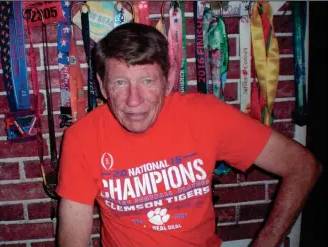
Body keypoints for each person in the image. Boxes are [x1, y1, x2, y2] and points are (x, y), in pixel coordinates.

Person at [55, 23, 322, 247]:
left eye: (147, 81)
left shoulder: (206, 115)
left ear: (169, 81)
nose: (133, 100)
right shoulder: (82, 138)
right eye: (120, 82)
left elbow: (303, 166)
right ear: (102, 86)